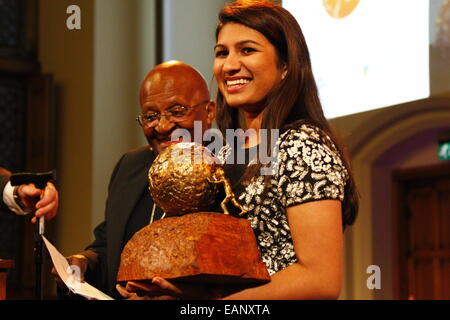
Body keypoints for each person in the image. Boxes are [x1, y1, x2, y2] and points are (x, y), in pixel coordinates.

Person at [138, 0, 359, 300]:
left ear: (285, 66)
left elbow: (320, 280)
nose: (229, 65)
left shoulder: (304, 146)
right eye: (221, 53)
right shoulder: (227, 150)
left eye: (247, 50)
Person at [53, 61, 216, 299]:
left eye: (177, 111)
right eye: (151, 116)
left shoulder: (225, 171)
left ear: (210, 112)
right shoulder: (131, 166)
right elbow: (108, 245)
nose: (162, 126)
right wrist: (82, 262)